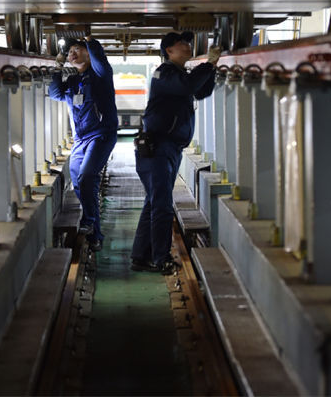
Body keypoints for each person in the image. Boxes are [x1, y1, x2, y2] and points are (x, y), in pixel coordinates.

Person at [131, 31, 222, 273]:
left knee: (154, 203)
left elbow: (200, 91)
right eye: (182, 43)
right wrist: (209, 63)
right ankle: (160, 259)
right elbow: (188, 86)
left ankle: (141, 256)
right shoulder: (165, 73)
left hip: (169, 148)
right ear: (169, 50)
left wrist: (210, 71)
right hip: (157, 148)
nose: (188, 45)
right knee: (161, 205)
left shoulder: (180, 75)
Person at [48, 36, 118, 251]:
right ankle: (95, 235)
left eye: (78, 49)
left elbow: (101, 60)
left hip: (101, 134)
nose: (72, 54)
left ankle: (88, 221)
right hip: (81, 139)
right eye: (70, 52)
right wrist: (57, 67)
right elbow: (55, 93)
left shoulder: (100, 76)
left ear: (89, 53)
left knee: (87, 176)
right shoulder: (73, 82)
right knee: (80, 181)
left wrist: (91, 41)